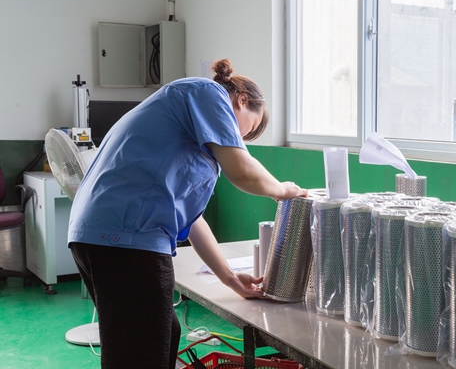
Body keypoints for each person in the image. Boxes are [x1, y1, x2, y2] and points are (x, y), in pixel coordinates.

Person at [68, 59, 308, 368]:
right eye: (244, 131)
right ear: (242, 100)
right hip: (127, 240)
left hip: (100, 235)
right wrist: (285, 190)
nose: (236, 139)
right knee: (143, 353)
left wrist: (230, 278)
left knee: (165, 333)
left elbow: (193, 220)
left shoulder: (186, 132)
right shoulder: (207, 93)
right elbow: (243, 172)